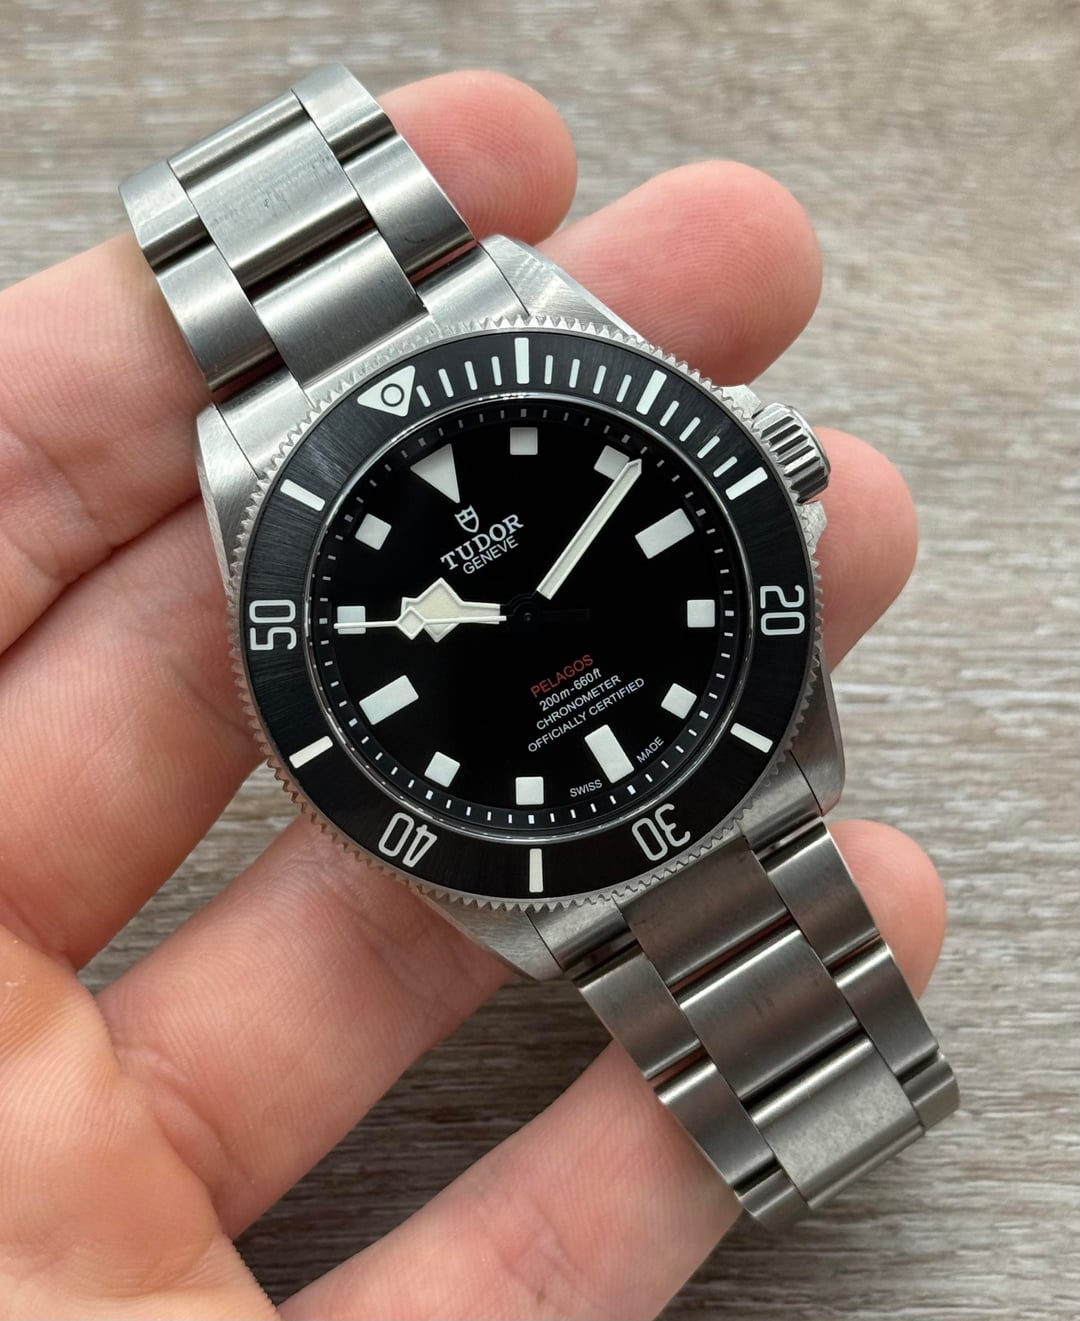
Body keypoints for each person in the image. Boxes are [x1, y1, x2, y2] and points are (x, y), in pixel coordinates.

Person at [0, 70, 945, 1319]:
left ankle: (819, 1111)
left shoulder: (501, 315)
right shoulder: (271, 461)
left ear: (768, 468)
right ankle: (807, 1120)